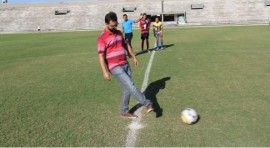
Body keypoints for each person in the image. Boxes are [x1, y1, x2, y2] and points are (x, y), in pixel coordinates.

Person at [97, 12, 153, 119]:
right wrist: (105, 71)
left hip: (125, 63)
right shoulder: (102, 38)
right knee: (130, 85)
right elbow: (101, 55)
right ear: (106, 23)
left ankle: (124, 111)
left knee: (127, 88)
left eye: (115, 25)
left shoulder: (118, 33)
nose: (114, 27)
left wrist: (134, 57)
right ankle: (146, 102)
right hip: (114, 66)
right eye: (112, 26)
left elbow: (126, 45)